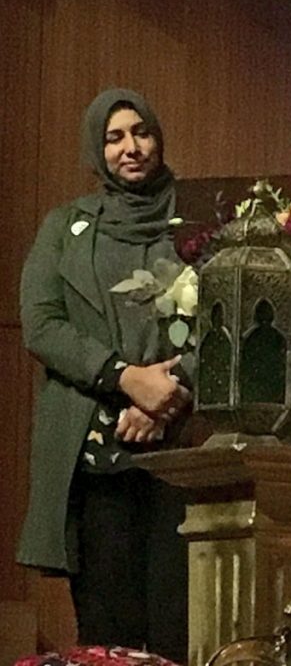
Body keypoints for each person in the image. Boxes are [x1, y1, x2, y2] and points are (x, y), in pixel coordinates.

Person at [18, 89, 192, 661]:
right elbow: (42, 324)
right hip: (96, 458)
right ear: (97, 148)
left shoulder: (197, 218)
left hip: (185, 455)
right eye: (114, 137)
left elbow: (224, 321)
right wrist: (125, 378)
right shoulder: (65, 227)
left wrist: (165, 395)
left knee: (181, 630)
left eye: (141, 132)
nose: (130, 147)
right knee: (107, 637)